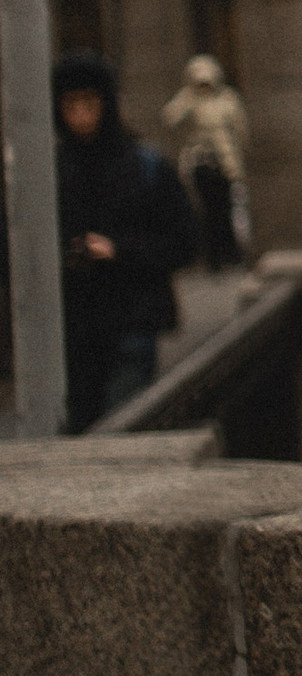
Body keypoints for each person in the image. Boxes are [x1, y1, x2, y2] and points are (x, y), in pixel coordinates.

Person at [52, 49, 198, 432]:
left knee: (121, 432)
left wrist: (118, 250)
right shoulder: (50, 174)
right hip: (73, 333)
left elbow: (184, 241)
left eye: (90, 101)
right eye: (71, 103)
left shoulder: (143, 166)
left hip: (131, 324)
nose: (81, 114)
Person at [161, 52, 249, 270]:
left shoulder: (227, 99)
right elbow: (170, 118)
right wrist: (189, 96)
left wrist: (235, 157)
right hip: (201, 163)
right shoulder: (190, 100)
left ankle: (232, 254)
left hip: (225, 163)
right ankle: (213, 258)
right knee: (206, 212)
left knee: (228, 209)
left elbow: (240, 129)